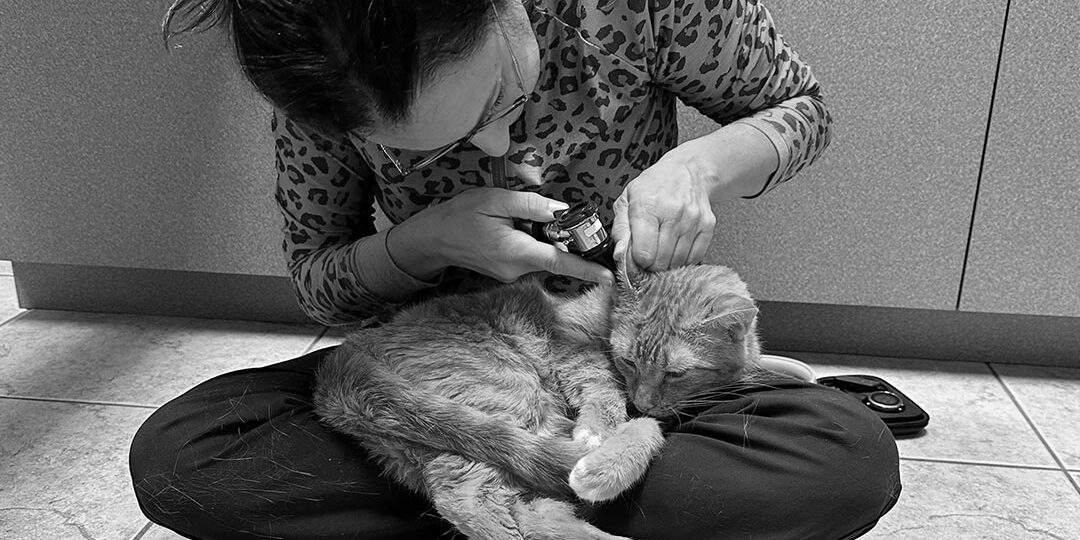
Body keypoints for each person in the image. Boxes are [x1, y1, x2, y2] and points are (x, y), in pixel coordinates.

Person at [130, 0, 901, 538]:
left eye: (502, 92)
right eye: (426, 147)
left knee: (852, 456)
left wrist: (700, 165)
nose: (496, 146)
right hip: (444, 355)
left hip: (601, 357)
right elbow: (317, 278)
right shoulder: (317, 91)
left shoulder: (637, 6)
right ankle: (555, 492)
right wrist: (423, 242)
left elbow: (802, 107)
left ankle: (476, 496)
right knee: (181, 453)